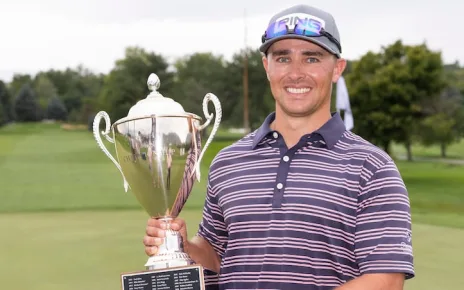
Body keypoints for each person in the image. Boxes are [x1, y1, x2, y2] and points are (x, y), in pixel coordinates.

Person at [143, 4, 415, 290]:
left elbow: (385, 280)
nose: (296, 73)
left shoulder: (372, 167)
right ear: (266, 66)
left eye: (312, 58)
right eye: (283, 58)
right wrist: (183, 247)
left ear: (337, 68)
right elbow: (217, 256)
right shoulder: (228, 162)